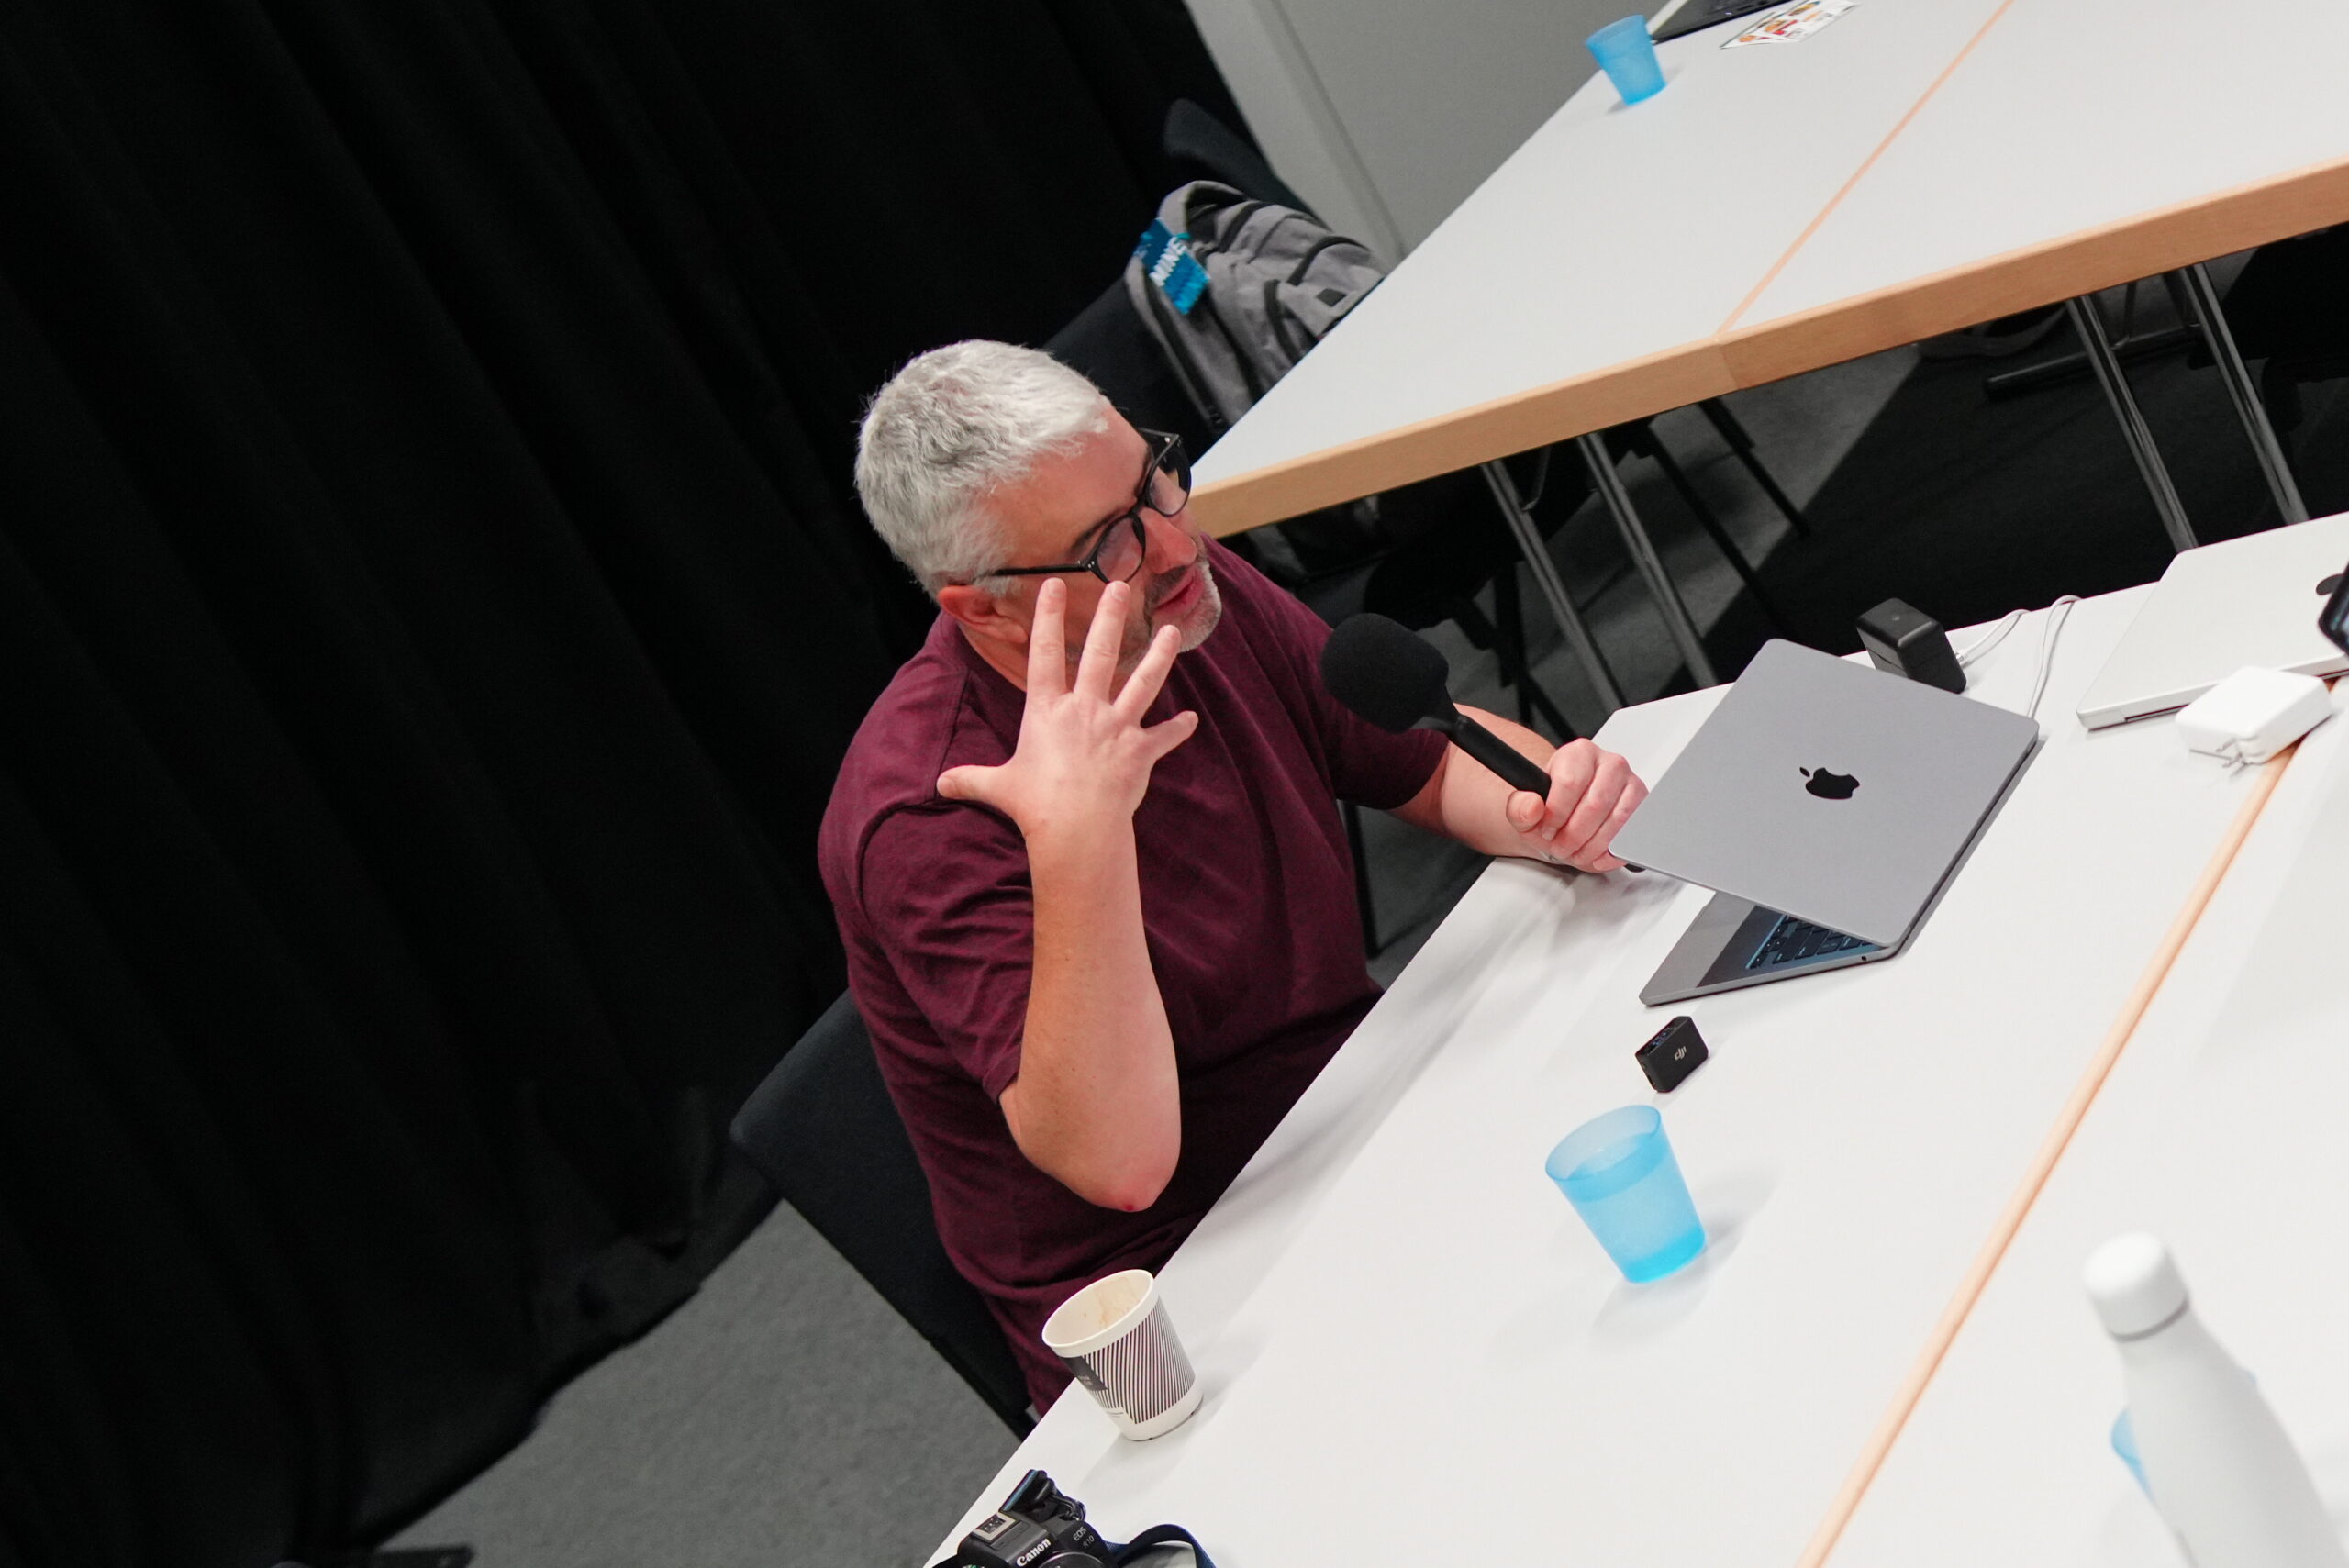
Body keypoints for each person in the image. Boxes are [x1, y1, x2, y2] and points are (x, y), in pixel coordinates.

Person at [818, 340, 1647, 1410]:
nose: (1172, 541)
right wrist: (1080, 839)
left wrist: (1550, 804)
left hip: (1361, 1115)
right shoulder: (931, 806)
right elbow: (1121, 1163)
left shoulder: (1179, 589)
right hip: (1181, 1303)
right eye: (1106, 542)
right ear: (981, 609)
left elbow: (1424, 758)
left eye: (1153, 478)